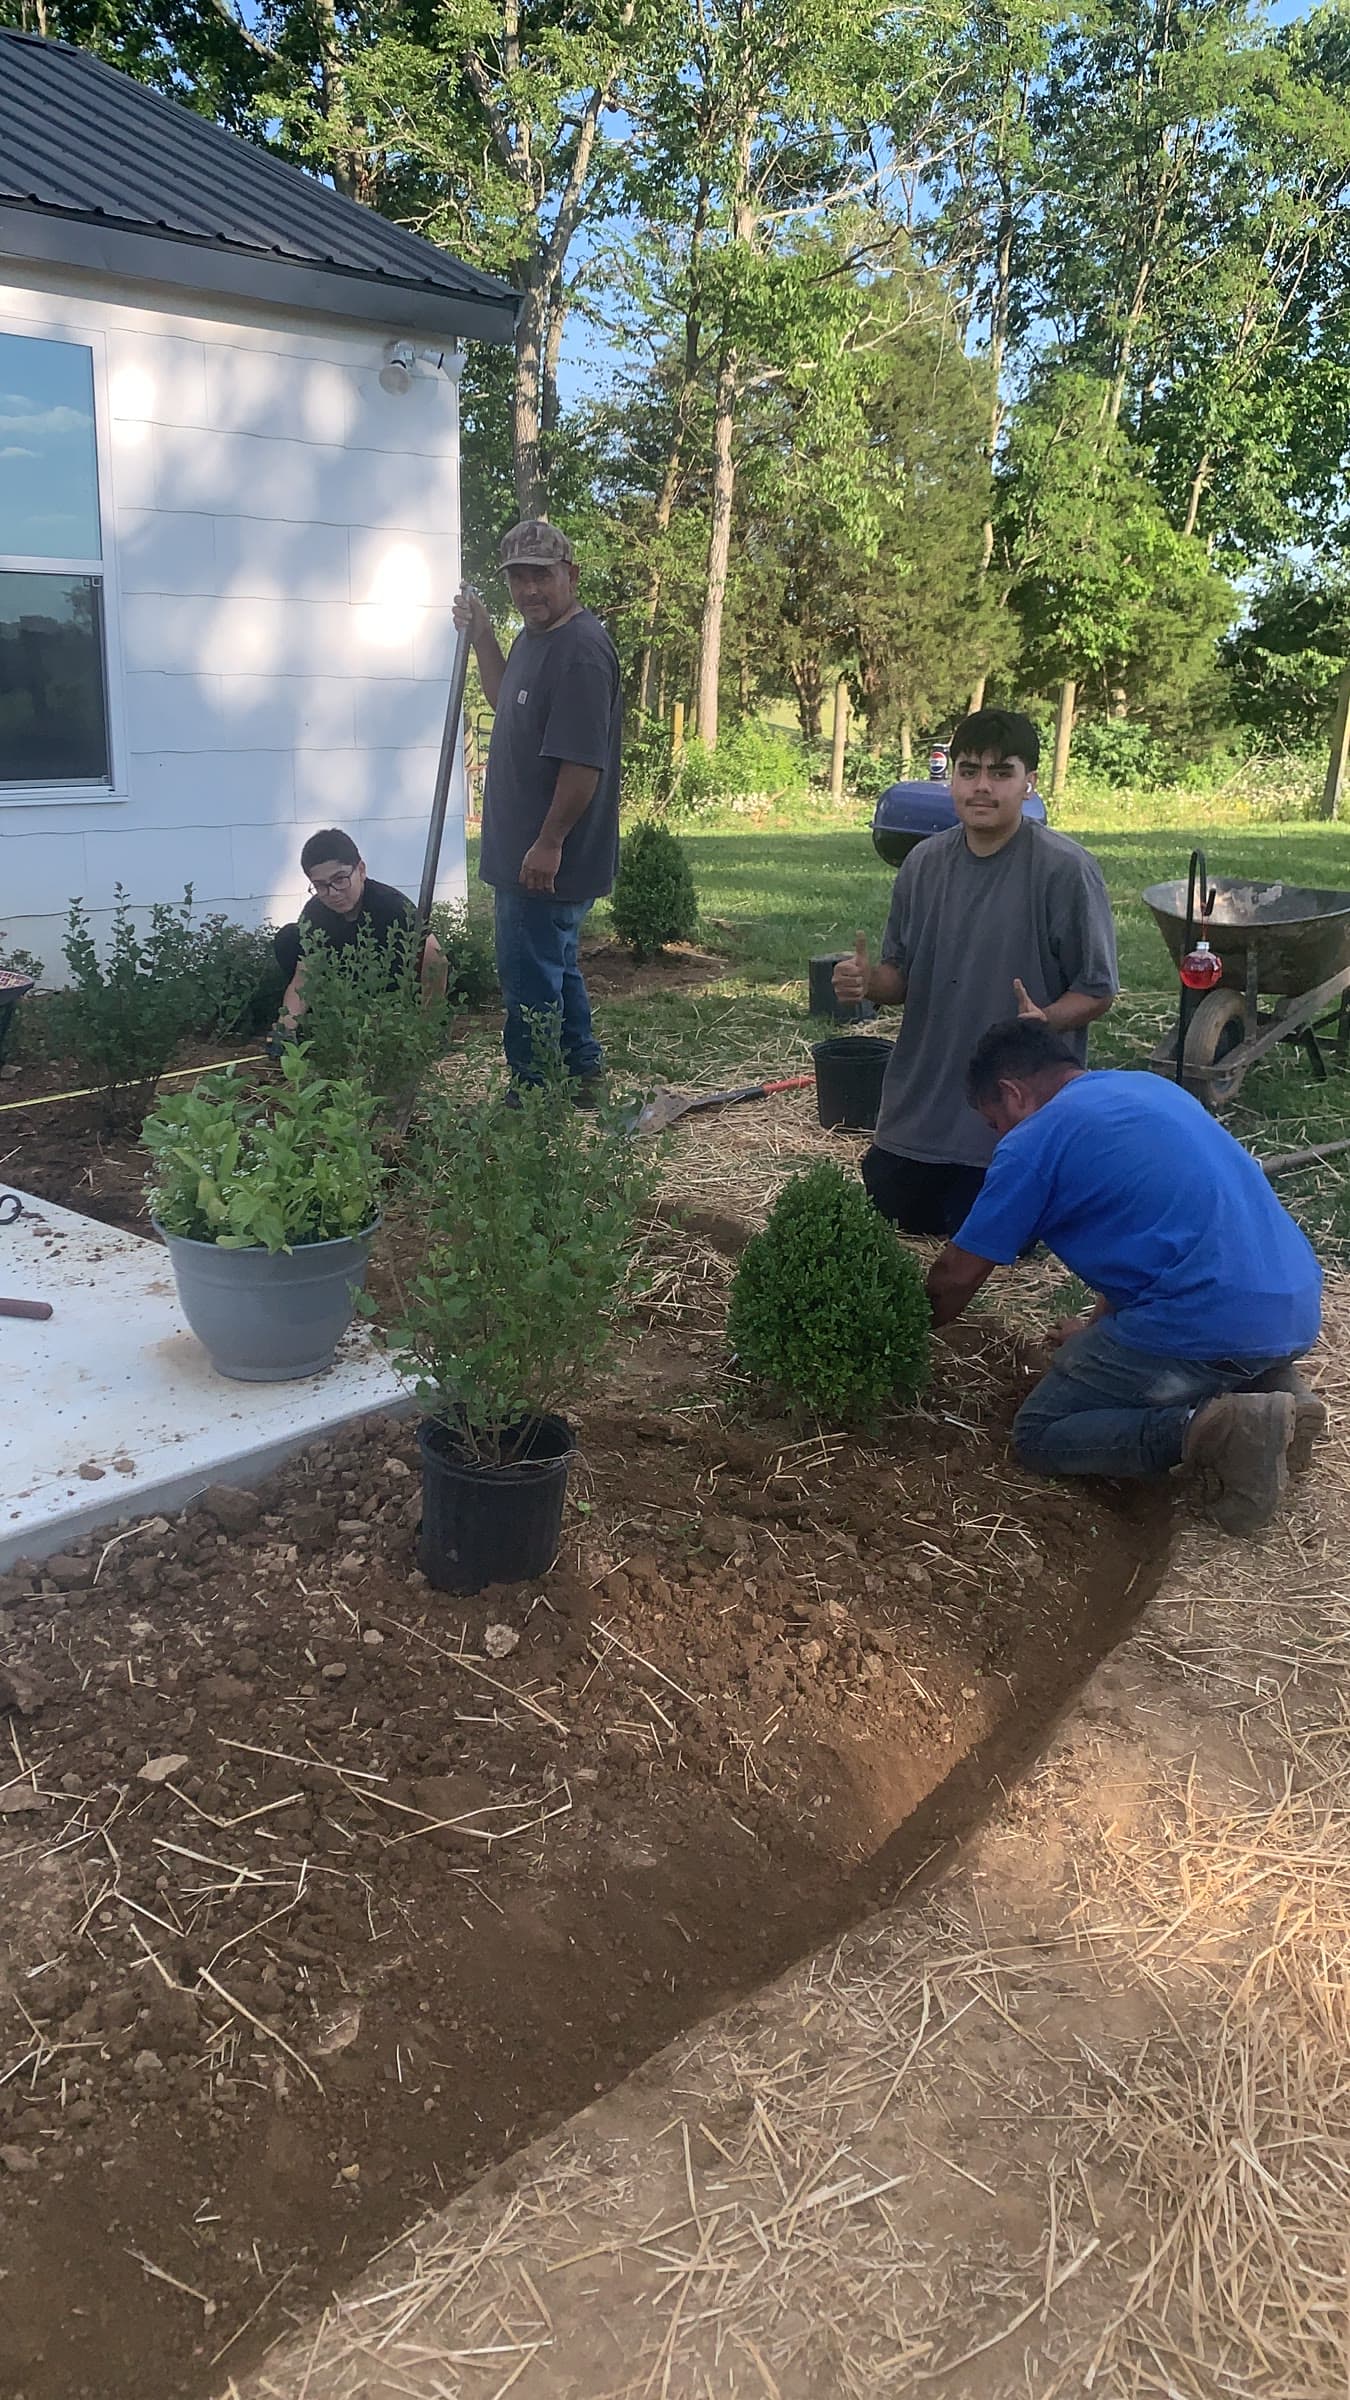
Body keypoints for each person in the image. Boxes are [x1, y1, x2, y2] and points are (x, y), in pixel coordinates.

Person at [924, 1018, 1325, 1533]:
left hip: (1211, 1319)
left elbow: (956, 1276)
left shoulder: (1035, 1142)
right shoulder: (1144, 1088)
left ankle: (1212, 1431)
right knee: (1216, 1341)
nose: (998, 1137)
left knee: (1040, 1433)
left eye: (993, 1122)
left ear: (1012, 1093)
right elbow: (1148, 1237)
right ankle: (1286, 1395)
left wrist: (901, 1333)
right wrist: (1096, 1330)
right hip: (1290, 1308)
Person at [834, 707, 1118, 1236]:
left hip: (1013, 1116)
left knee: (989, 1236)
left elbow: (1098, 991)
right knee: (893, 1214)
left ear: (1029, 782)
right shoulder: (922, 864)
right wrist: (868, 982)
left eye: (1000, 772)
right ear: (951, 780)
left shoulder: (1065, 869)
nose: (982, 788)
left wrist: (1046, 1019)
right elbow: (900, 978)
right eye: (968, 771)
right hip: (922, 1110)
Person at [452, 521, 622, 1098]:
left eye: (541, 576)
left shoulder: (580, 653)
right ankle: (582, 1073)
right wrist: (482, 637)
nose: (529, 589)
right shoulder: (534, 637)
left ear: (570, 575)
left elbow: (582, 765)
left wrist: (549, 842)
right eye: (518, 578)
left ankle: (531, 1091)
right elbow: (505, 699)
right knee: (557, 963)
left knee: (530, 978)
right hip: (525, 851)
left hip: (544, 858)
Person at [273, 829, 446, 1033]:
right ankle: (324, 1021)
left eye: (340, 879)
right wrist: (285, 1030)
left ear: (361, 871)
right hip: (348, 992)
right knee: (288, 938)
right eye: (320, 885)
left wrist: (426, 1024)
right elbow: (303, 977)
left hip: (393, 996)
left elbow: (436, 958)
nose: (333, 893)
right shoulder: (315, 913)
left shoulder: (391, 905)